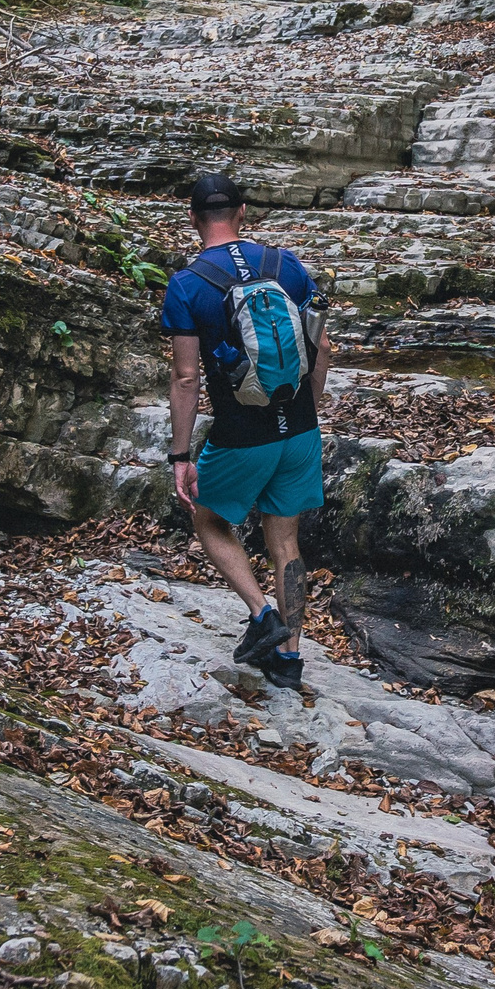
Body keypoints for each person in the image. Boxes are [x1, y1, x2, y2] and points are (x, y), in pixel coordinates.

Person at [161, 170, 328, 692]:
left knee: (208, 519)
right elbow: (322, 346)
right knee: (286, 542)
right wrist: (308, 411)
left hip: (240, 434)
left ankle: (262, 615)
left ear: (193, 218)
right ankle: (289, 659)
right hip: (299, 427)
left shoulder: (188, 284)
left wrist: (181, 456)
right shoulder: (286, 265)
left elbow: (186, 377)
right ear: (243, 213)